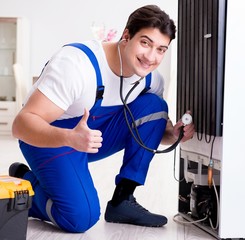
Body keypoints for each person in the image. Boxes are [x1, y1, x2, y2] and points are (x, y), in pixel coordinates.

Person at [10, 5, 195, 233]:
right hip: (50, 139)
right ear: (126, 36)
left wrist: (172, 135)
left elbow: (151, 131)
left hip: (91, 138)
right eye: (145, 43)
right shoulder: (77, 65)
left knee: (154, 105)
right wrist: (69, 137)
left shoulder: (150, 80)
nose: (151, 57)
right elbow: (21, 124)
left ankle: (122, 200)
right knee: (79, 218)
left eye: (161, 49)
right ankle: (25, 185)